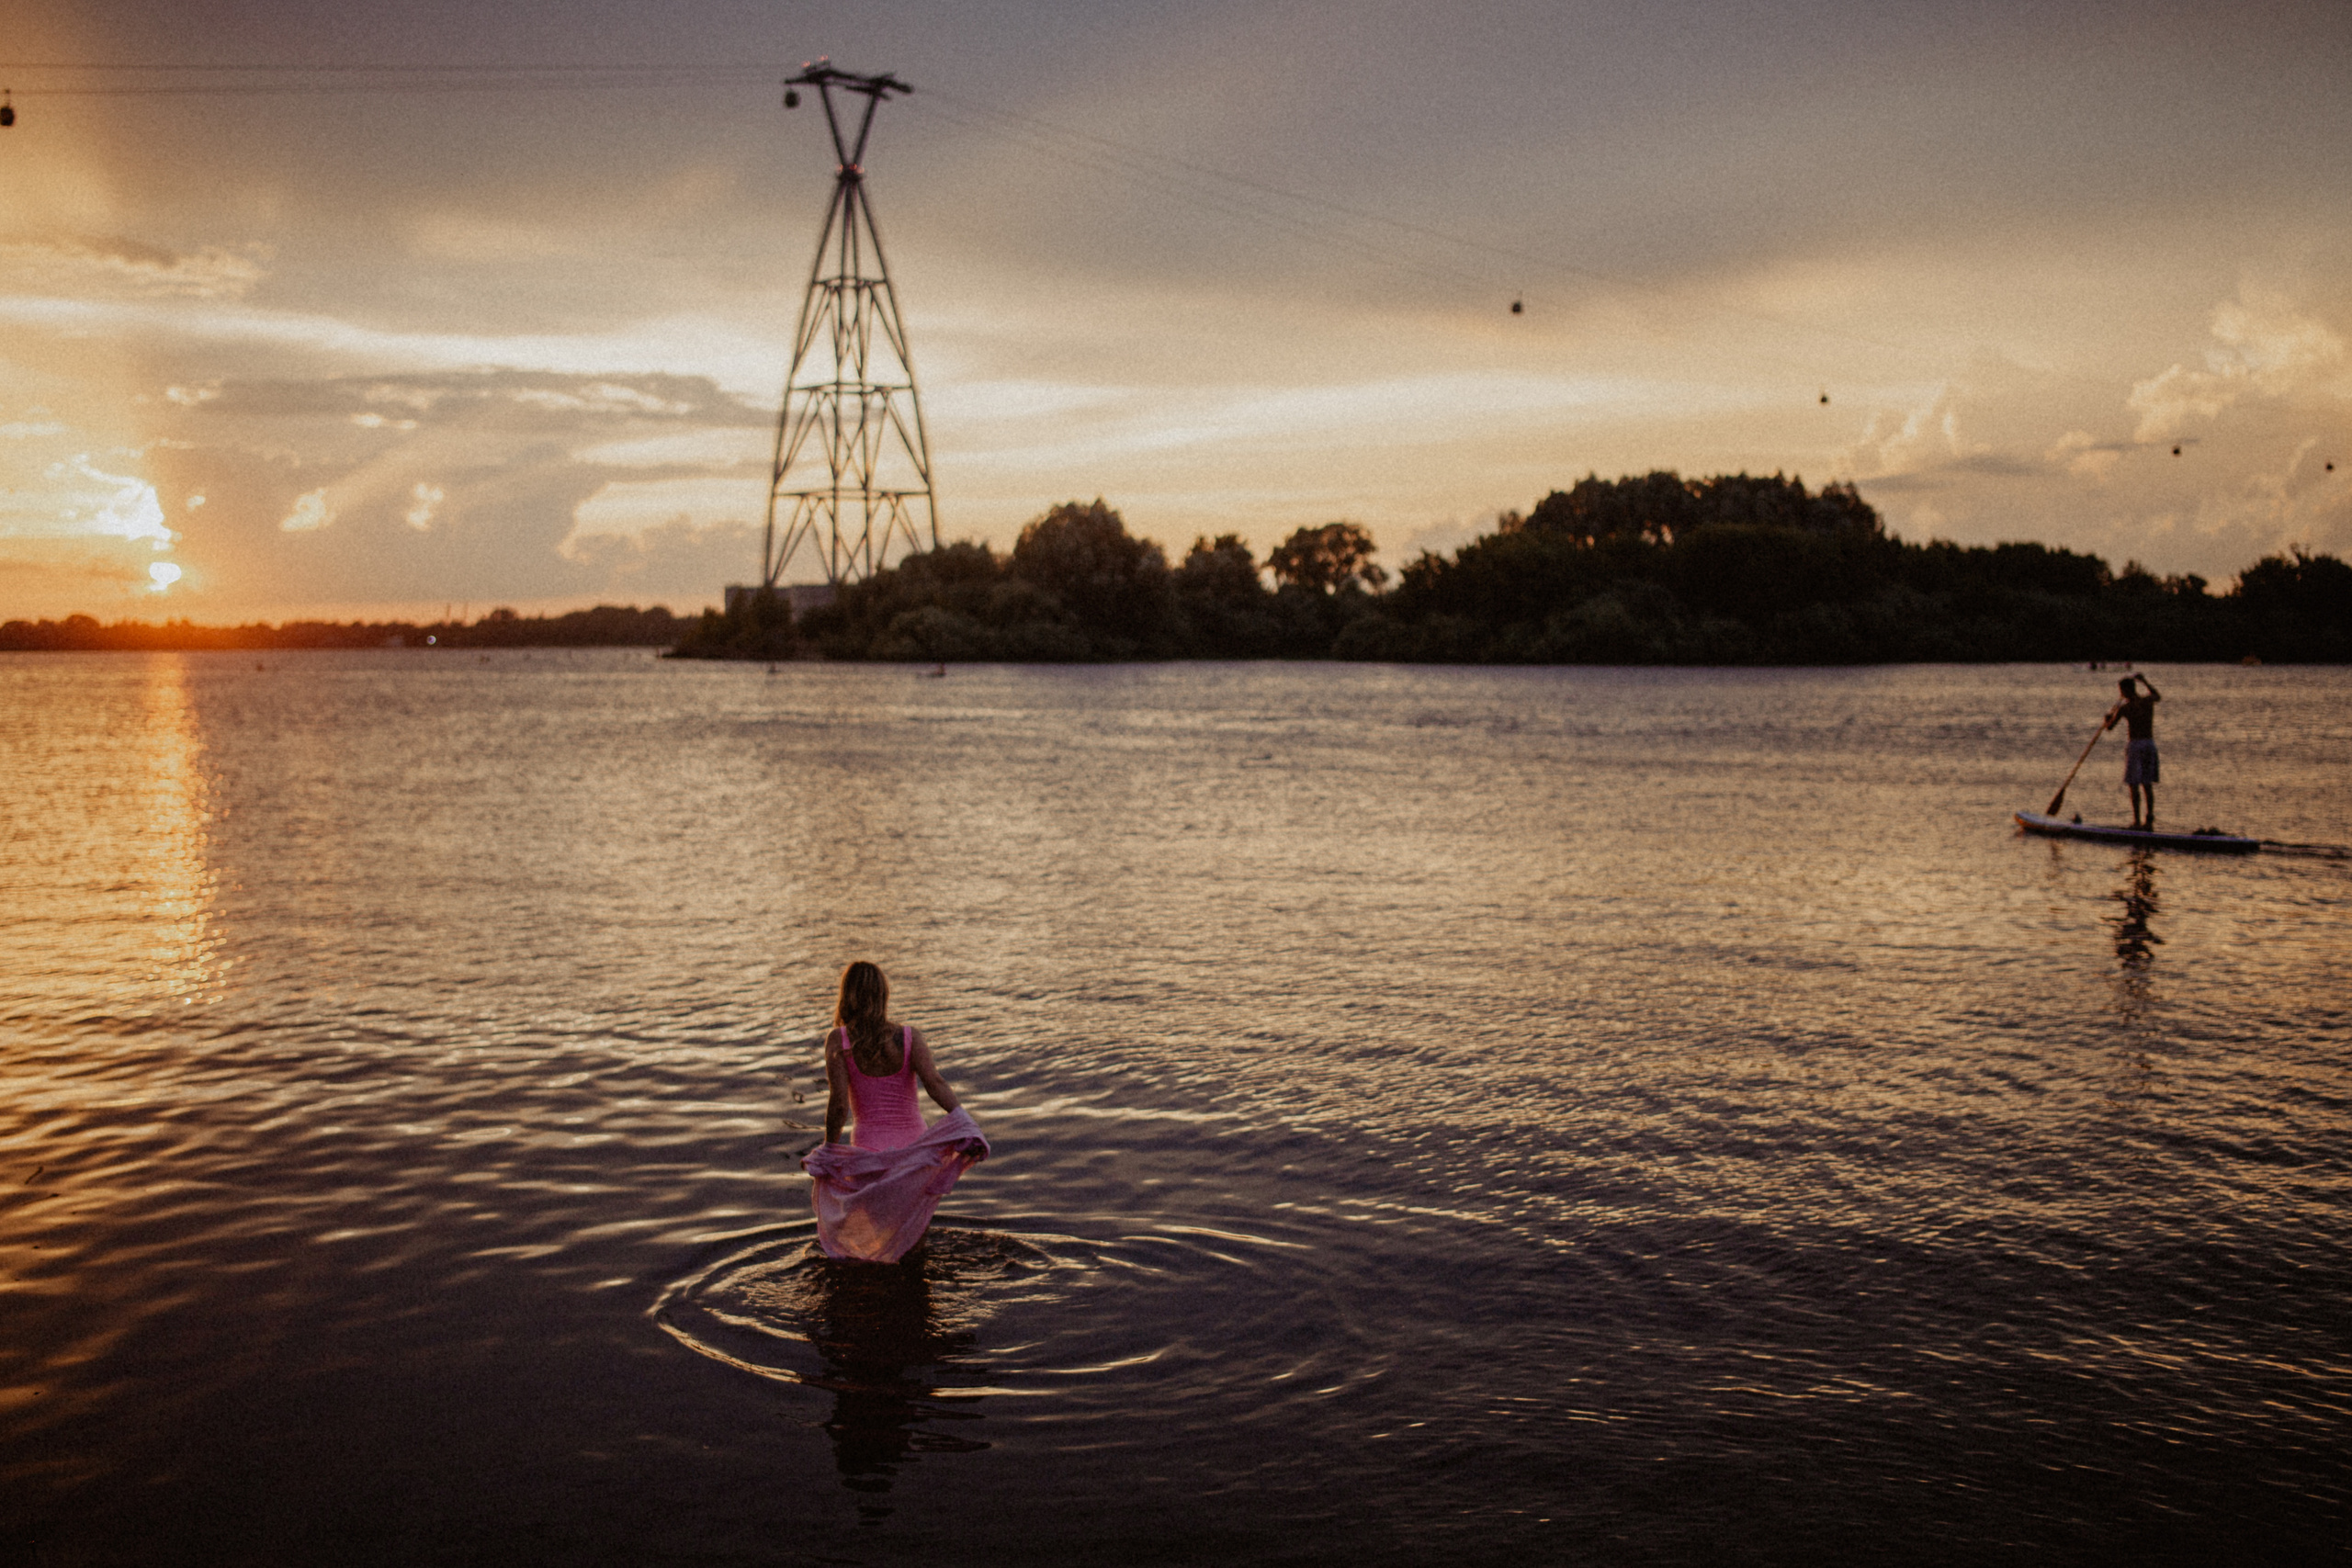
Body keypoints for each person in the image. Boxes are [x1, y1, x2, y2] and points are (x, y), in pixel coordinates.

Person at [802, 961, 989, 1262]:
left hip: (869, 1153)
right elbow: (936, 1083)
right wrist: (965, 1122)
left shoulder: (839, 1040)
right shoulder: (910, 1037)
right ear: (883, 995)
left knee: (880, 1242)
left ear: (847, 996)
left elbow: (839, 1103)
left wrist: (829, 1150)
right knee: (914, 1238)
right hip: (916, 1153)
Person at [2102, 673, 2163, 829]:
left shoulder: (2125, 708)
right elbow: (2157, 696)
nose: (2120, 693)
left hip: (2136, 745)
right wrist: (2145, 682)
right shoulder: (2146, 701)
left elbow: (2109, 727)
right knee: (2147, 784)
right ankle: (2148, 821)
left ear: (2126, 690)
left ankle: (2137, 822)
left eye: (2121, 690)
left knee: (2134, 785)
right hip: (2149, 744)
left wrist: (2107, 717)